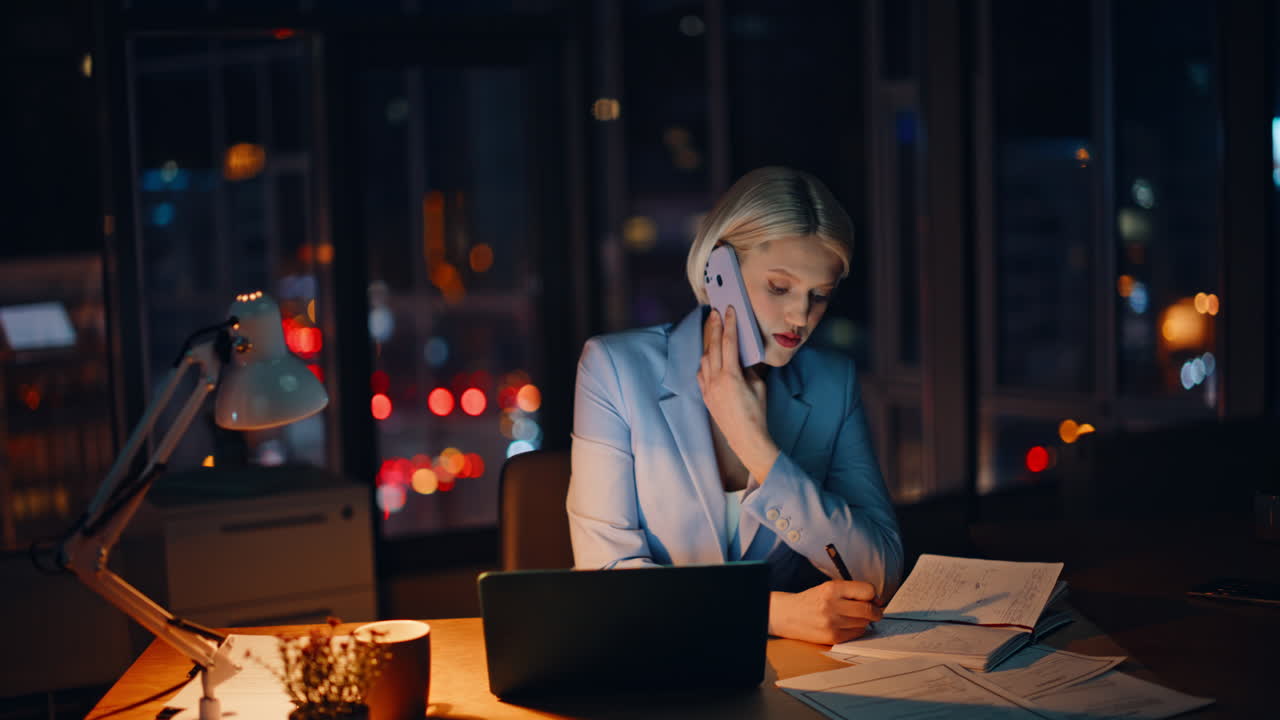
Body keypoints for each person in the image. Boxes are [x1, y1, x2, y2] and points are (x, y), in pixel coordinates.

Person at [567, 166, 903, 644]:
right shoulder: (614, 369)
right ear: (717, 271)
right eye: (779, 288)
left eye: (819, 296)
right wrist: (767, 613)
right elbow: (607, 578)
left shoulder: (833, 383)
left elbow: (882, 572)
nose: (800, 317)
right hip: (653, 662)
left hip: (786, 682)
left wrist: (758, 450)